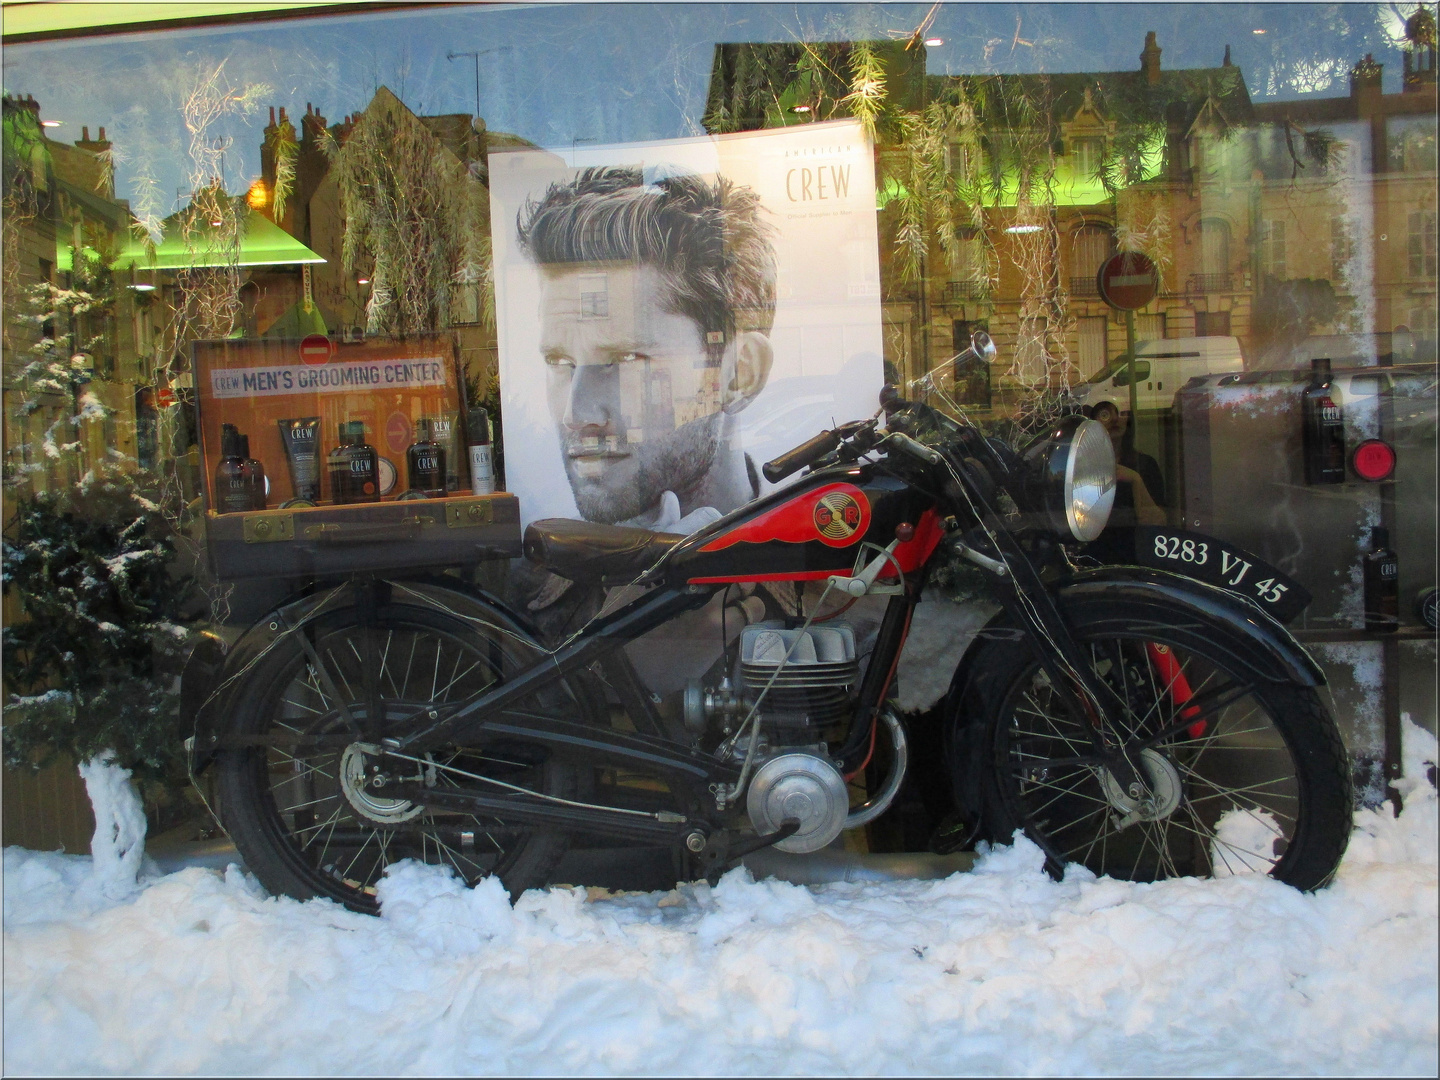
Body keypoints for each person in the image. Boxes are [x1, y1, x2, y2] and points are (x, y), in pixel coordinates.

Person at [516, 166, 778, 533]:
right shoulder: (527, 580)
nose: (576, 414)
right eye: (561, 362)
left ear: (740, 373)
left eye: (626, 359)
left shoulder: (835, 577)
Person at [1087, 404, 1166, 562]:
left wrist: (1136, 480)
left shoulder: (1144, 464)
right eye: (1105, 414)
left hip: (1133, 553)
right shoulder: (1082, 466)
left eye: (1121, 413)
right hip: (1092, 554)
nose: (1115, 419)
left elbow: (1158, 522)